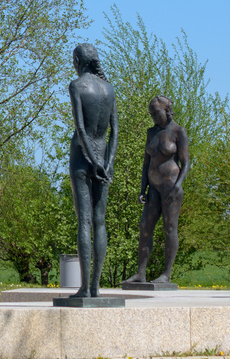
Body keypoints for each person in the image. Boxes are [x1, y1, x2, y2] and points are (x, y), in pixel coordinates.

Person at [67, 43, 118, 298]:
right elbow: (115, 131)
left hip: (82, 158)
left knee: (84, 220)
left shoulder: (77, 86)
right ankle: (95, 288)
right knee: (100, 221)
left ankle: (85, 289)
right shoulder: (108, 89)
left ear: (78, 60)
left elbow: (80, 128)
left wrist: (91, 160)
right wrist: (107, 162)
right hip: (104, 155)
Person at [127, 95, 191, 286]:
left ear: (167, 110)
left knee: (169, 227)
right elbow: (145, 164)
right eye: (151, 113)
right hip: (153, 187)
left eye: (156, 113)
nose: (153, 117)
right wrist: (142, 189)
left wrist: (178, 185)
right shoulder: (151, 133)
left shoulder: (179, 131)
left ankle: (167, 274)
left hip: (170, 186)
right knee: (145, 226)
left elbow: (186, 162)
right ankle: (140, 273)